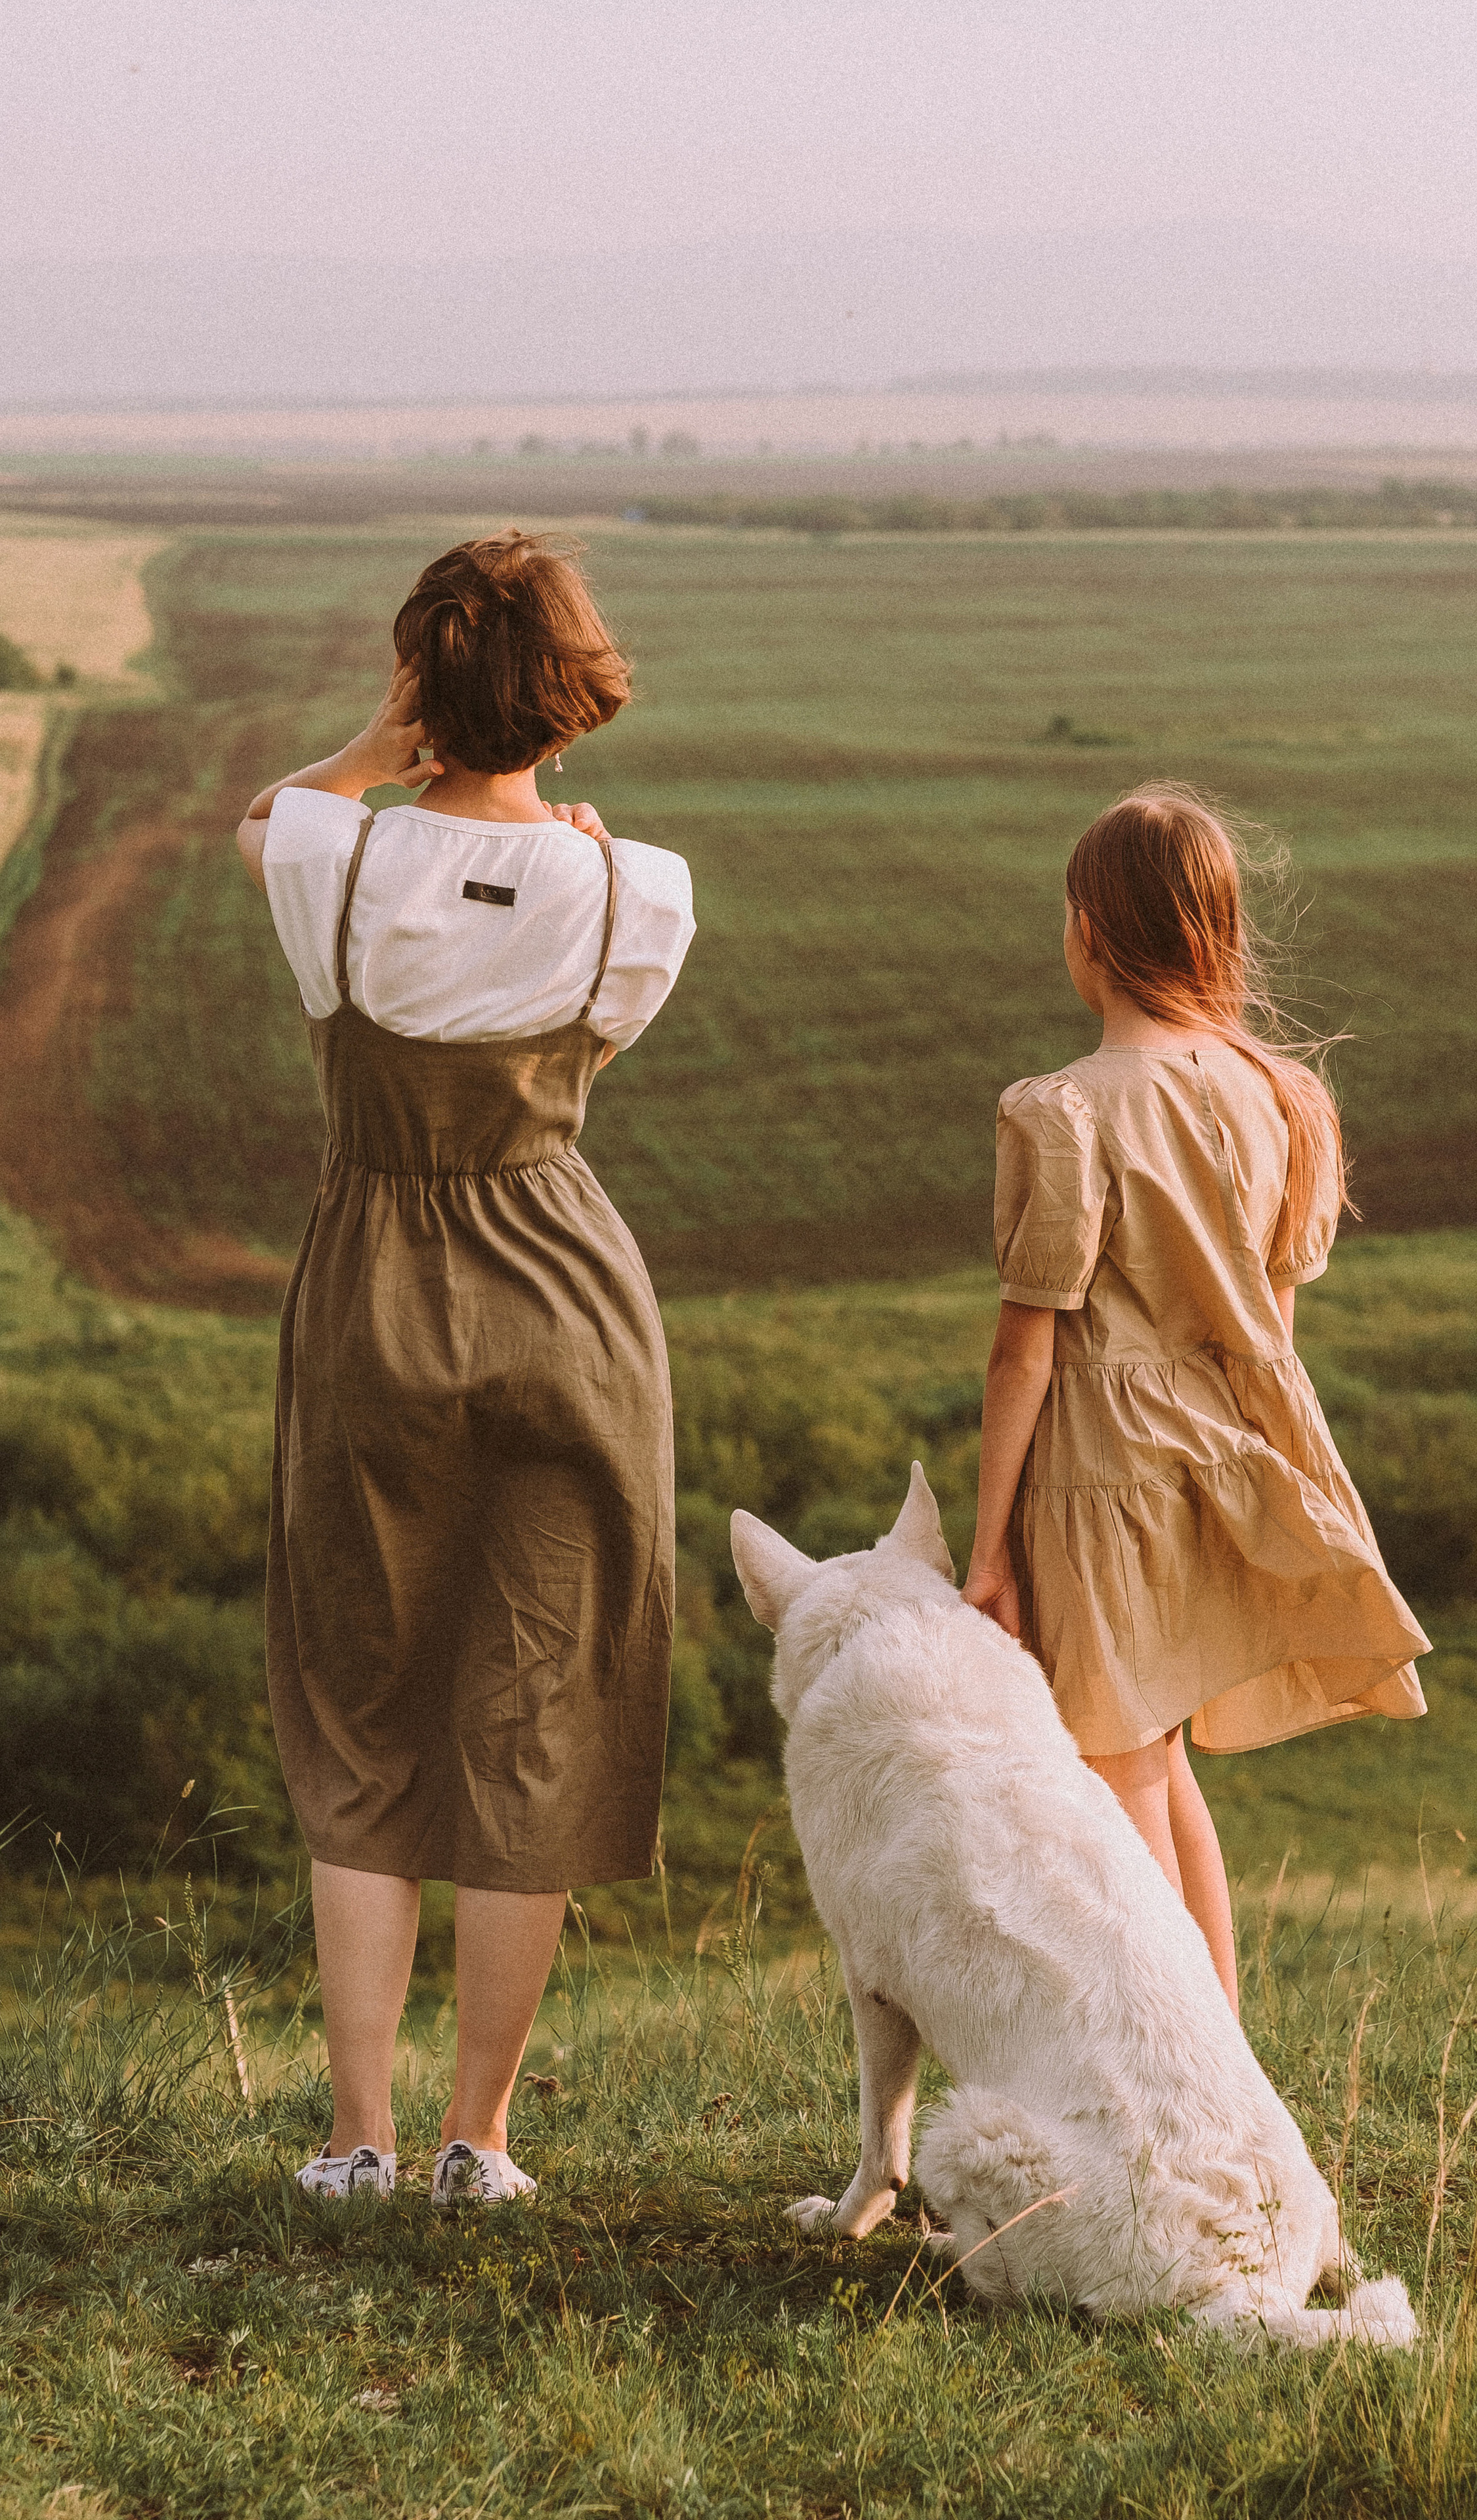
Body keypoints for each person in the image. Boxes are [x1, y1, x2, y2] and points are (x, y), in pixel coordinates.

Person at [236, 530, 694, 2200]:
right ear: (564, 698)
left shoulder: (326, 859)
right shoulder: (638, 891)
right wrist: (547, 836)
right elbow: (598, 1027)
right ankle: (476, 2142)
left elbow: (266, 824)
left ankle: (354, 2138)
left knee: (361, 1704)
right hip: (568, 1297)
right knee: (543, 1707)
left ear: (424, 676)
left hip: (373, 1285)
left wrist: (374, 750)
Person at [960, 785, 1427, 2015]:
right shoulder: (1282, 1095)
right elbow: (1275, 1315)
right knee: (1156, 1763)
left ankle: (1179, 2116)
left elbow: (1026, 1349)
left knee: (1113, 1794)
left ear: (1088, 932)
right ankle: (1221, 2076)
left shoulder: (1061, 1110)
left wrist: (989, 1547)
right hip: (1224, 1456)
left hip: (1099, 1474)